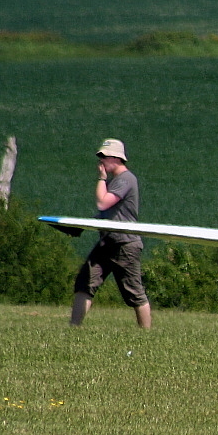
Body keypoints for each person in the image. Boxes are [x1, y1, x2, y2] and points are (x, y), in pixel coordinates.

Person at [71, 139, 152, 328]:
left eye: (104, 157)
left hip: (124, 244)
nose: (101, 162)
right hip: (107, 242)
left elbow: (103, 203)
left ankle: (147, 334)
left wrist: (101, 179)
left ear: (116, 158)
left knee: (134, 292)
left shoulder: (125, 179)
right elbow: (107, 214)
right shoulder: (117, 181)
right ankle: (73, 327)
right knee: (85, 282)